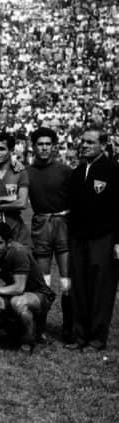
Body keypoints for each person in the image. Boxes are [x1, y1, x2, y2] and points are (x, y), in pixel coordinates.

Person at [67, 126, 119, 351]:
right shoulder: (78, 171)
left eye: (90, 142)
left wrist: (118, 241)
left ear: (103, 145)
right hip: (78, 238)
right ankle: (80, 336)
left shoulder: (113, 170)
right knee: (79, 287)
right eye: (83, 141)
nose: (84, 145)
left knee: (101, 289)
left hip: (103, 238)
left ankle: (97, 338)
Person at [0, 222, 56, 353]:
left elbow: (19, 288)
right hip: (13, 293)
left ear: (9, 242)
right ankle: (12, 331)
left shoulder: (19, 252)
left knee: (17, 302)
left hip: (39, 294)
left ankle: (29, 340)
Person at [27, 127, 73, 343]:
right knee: (43, 281)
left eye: (48, 144)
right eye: (40, 144)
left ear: (54, 146)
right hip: (41, 225)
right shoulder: (27, 171)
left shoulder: (65, 171)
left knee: (67, 281)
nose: (44, 148)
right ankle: (40, 328)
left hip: (63, 224)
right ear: (34, 147)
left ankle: (69, 329)